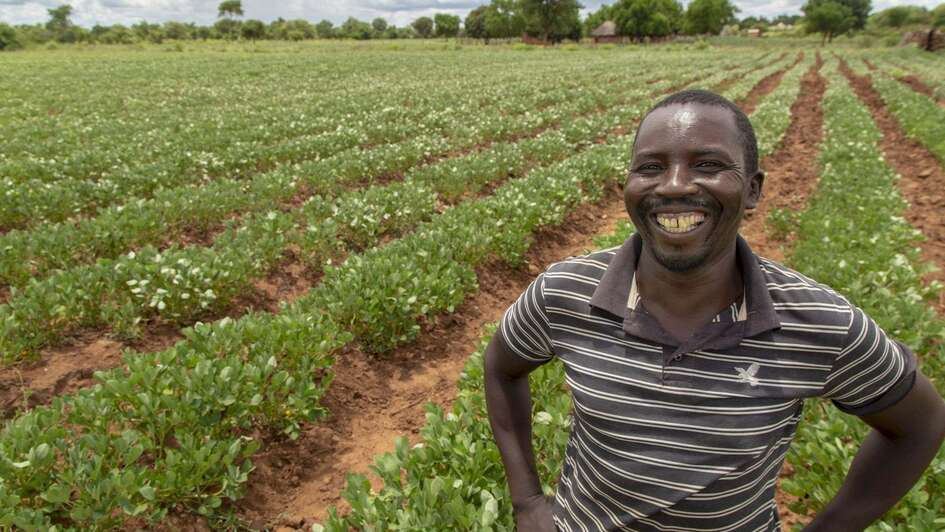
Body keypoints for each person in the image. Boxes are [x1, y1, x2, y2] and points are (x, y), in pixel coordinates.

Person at [484, 89, 945, 531]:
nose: (676, 185)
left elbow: (921, 425)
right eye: (650, 166)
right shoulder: (563, 292)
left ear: (752, 190)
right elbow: (501, 369)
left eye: (707, 164)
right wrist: (526, 502)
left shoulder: (821, 323)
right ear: (627, 184)